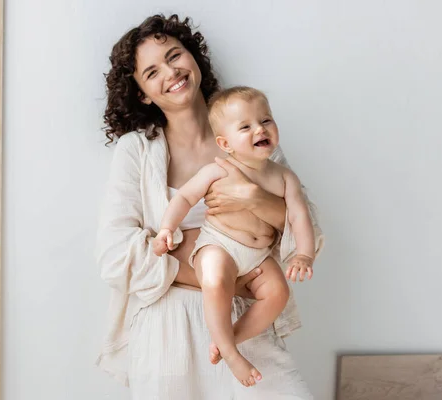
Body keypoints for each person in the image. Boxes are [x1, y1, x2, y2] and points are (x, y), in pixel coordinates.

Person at [95, 14, 324, 399]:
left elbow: (308, 233)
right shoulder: (136, 151)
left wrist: (253, 198)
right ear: (142, 93)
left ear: (194, 58)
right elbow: (115, 255)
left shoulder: (251, 134)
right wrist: (225, 273)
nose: (170, 72)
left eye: (174, 55)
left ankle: (228, 343)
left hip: (246, 321)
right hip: (168, 326)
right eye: (152, 72)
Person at [153, 86, 316, 387]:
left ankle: (229, 339)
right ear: (225, 143)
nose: (260, 129)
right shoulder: (218, 170)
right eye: (246, 126)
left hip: (258, 256)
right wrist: (166, 228)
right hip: (219, 244)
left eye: (266, 120)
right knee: (215, 281)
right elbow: (185, 198)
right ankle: (230, 353)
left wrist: (304, 254)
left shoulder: (283, 177)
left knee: (278, 293)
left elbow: (299, 217)